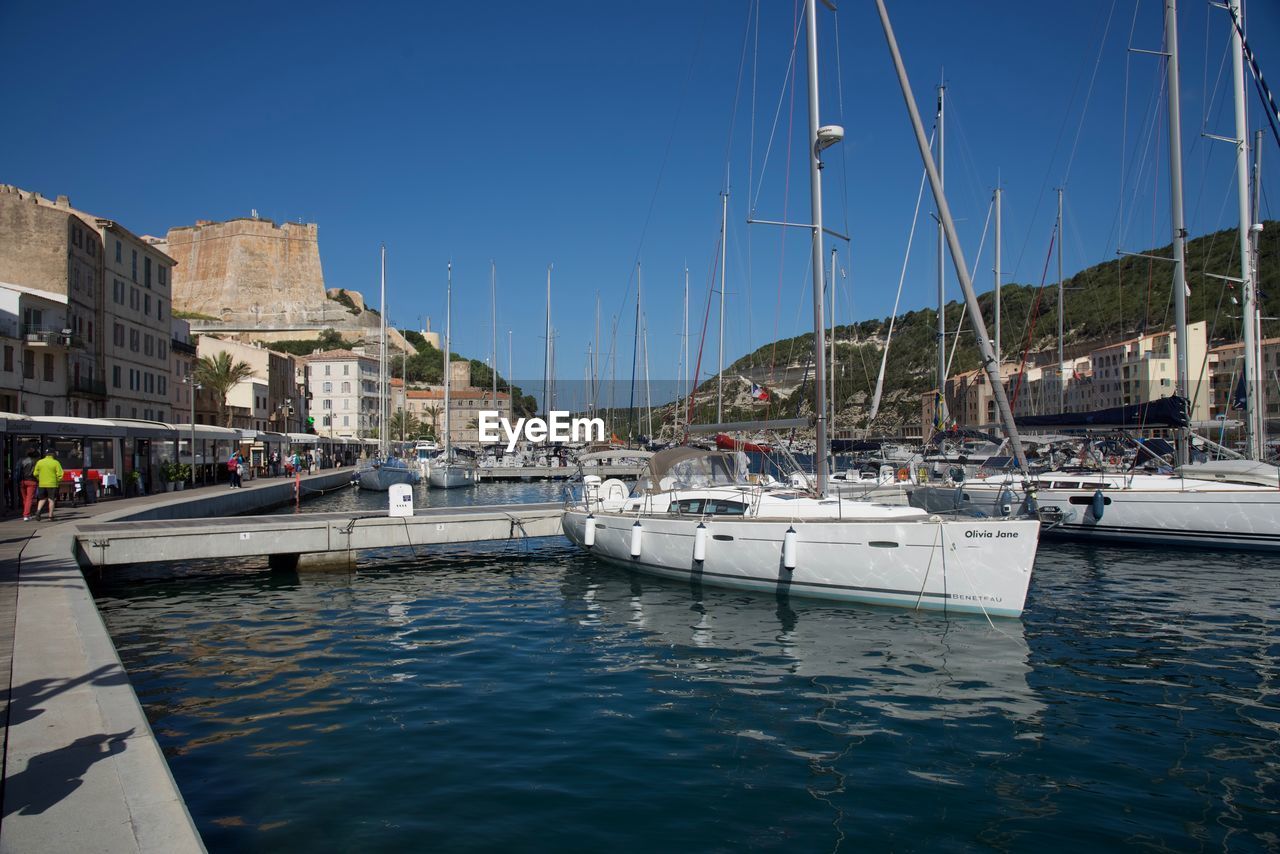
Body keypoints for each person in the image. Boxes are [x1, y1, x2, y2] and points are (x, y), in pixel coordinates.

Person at [32, 450, 63, 522]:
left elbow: (35, 473)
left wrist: (39, 478)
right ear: (53, 454)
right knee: (51, 500)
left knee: (42, 499)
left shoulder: (40, 462)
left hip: (42, 484)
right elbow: (60, 474)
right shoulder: (55, 462)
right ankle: (51, 516)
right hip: (52, 484)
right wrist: (58, 480)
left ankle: (38, 511)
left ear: (46, 454)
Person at [19, 449, 38, 520]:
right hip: (32, 481)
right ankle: (26, 515)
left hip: (22, 481)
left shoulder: (22, 461)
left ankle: (27, 513)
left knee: (25, 499)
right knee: (29, 499)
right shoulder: (35, 462)